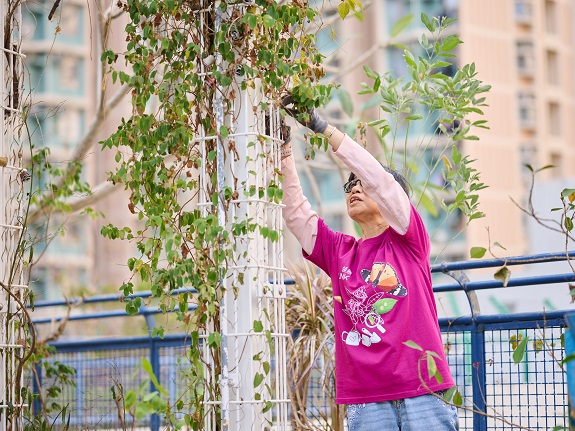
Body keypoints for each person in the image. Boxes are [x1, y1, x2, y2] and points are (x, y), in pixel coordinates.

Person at [279, 97, 459, 431]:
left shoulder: (409, 239)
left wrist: (322, 128)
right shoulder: (339, 252)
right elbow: (297, 214)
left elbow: (381, 181)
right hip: (367, 397)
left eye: (361, 183)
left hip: (423, 387)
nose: (353, 188)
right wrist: (284, 151)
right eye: (349, 185)